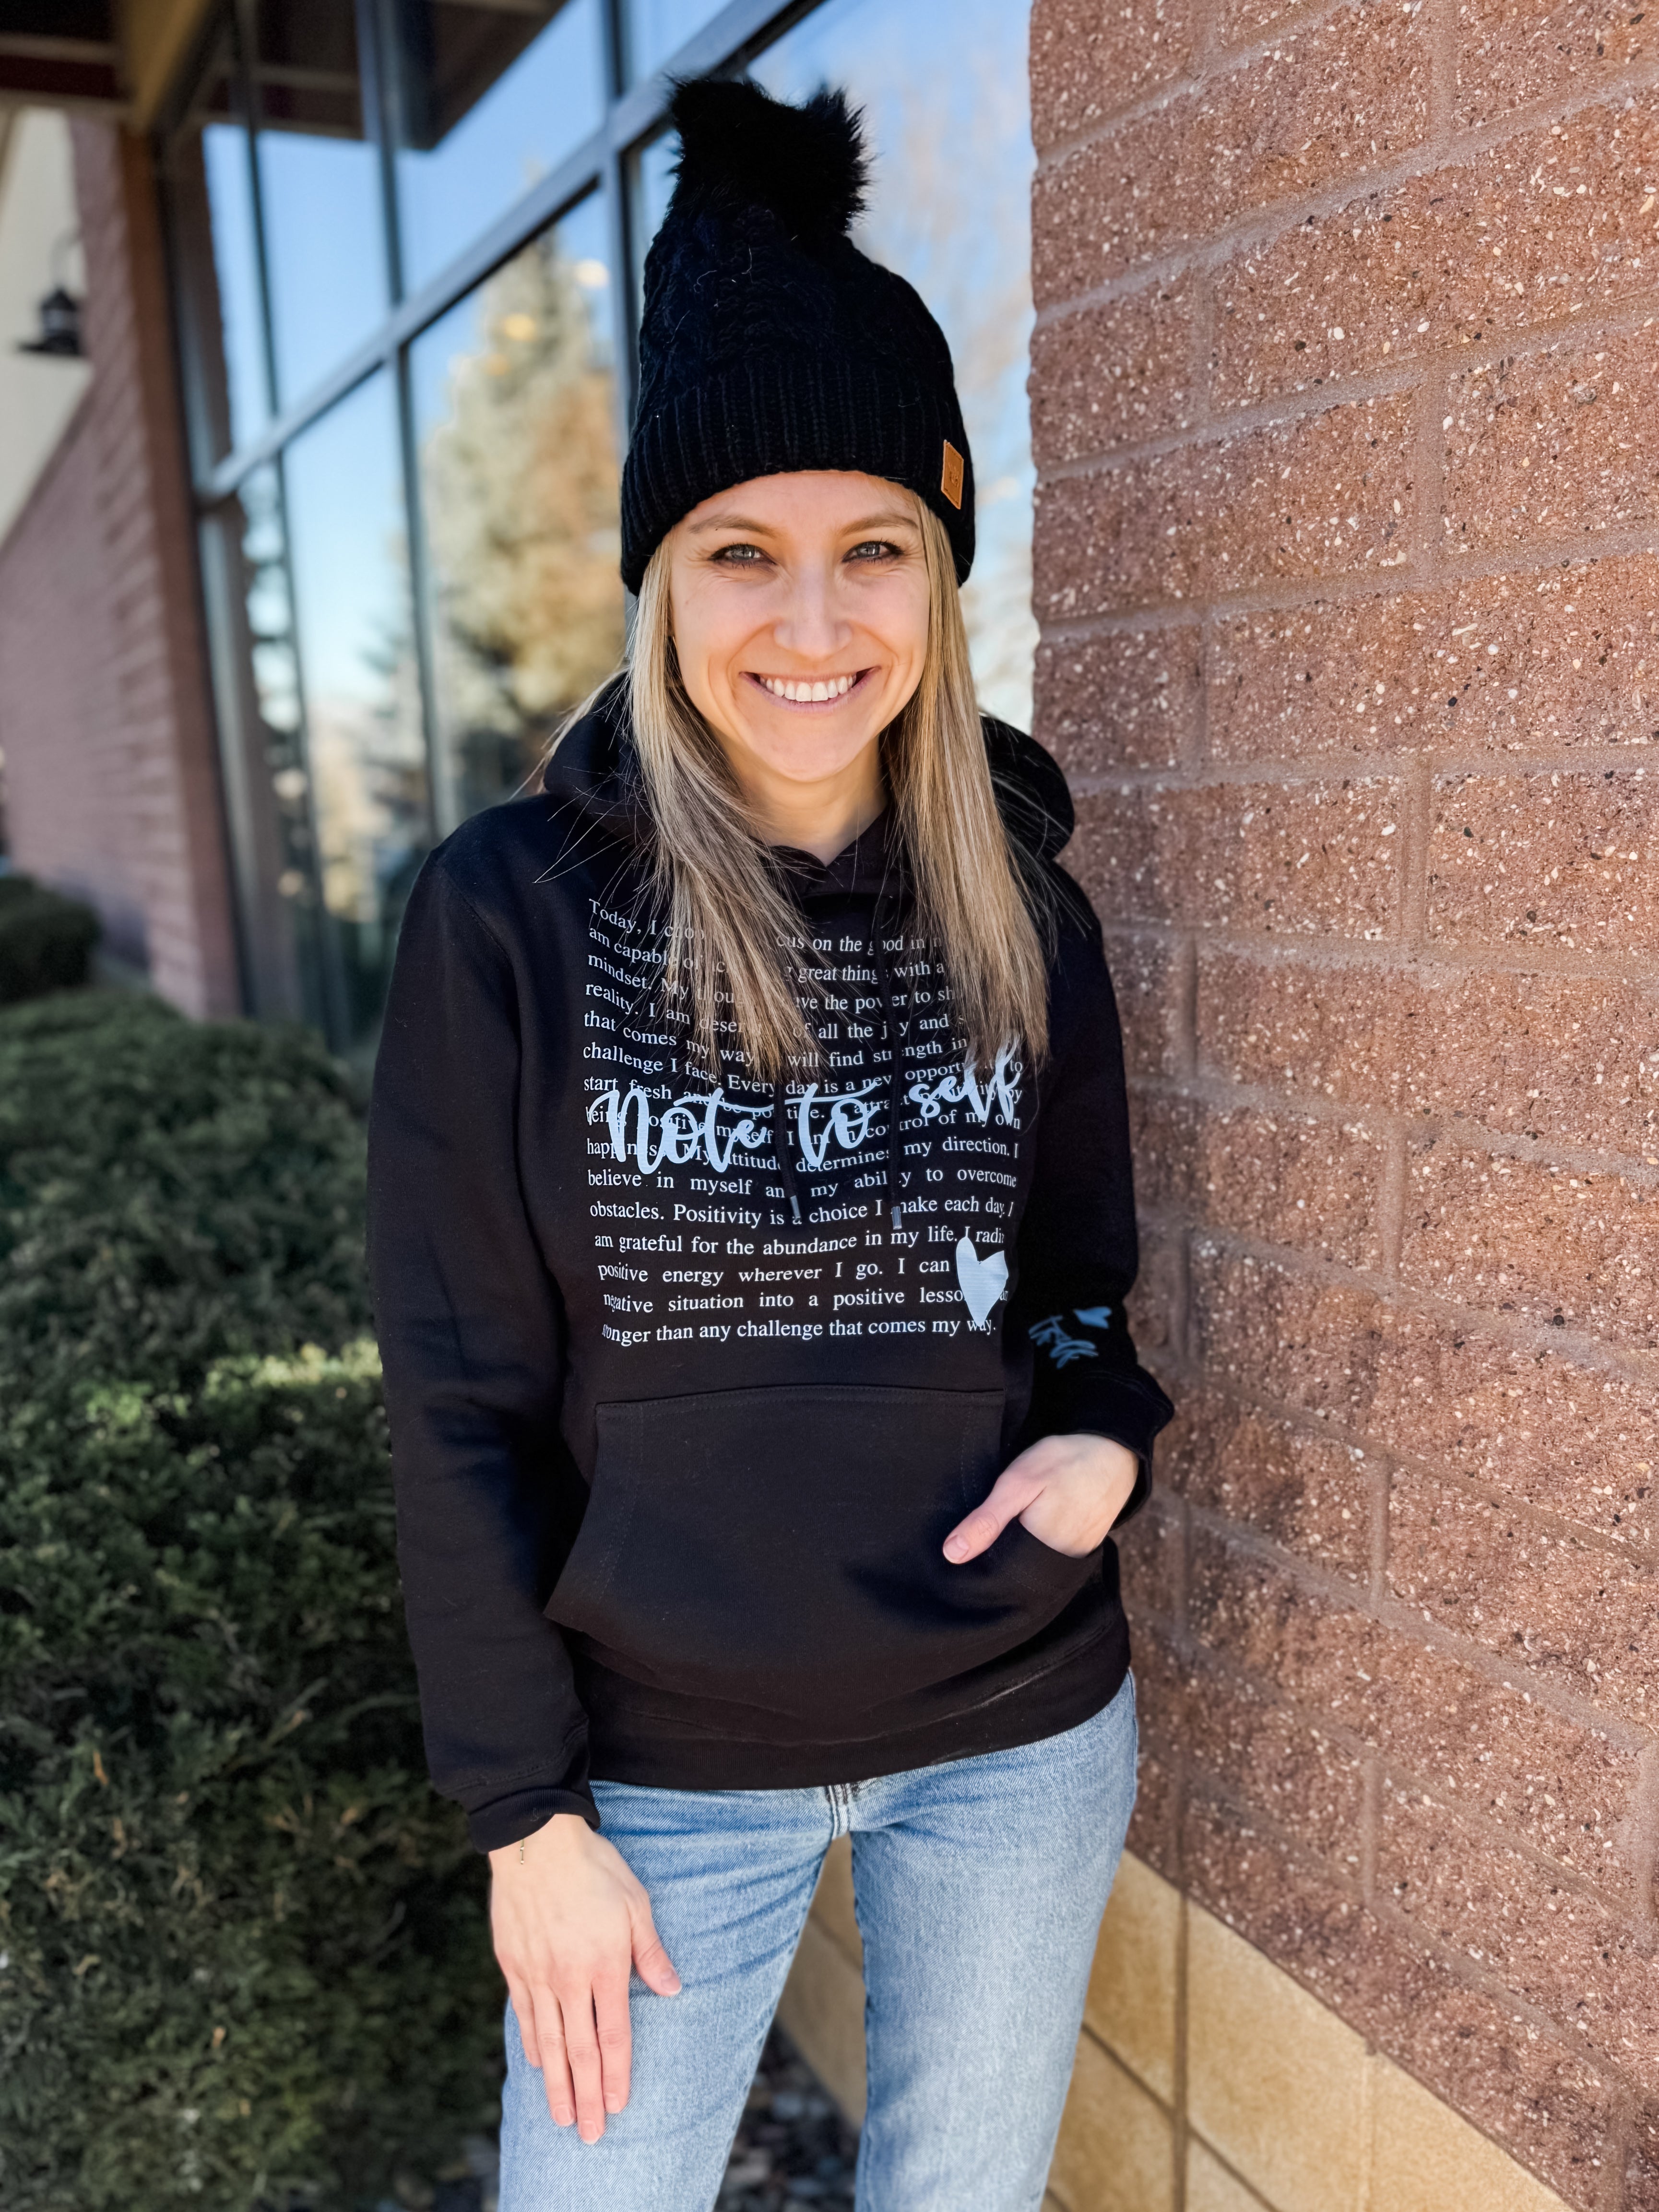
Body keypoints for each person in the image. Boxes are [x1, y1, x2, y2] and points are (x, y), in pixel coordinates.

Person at [368, 76, 1173, 2212]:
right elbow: (455, 1397)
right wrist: (522, 1818)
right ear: (660, 577)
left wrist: (1103, 1442)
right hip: (651, 1777)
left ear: (936, 574)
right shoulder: (512, 913)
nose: (811, 628)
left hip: (1013, 1734)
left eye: (870, 551)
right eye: (741, 551)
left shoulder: (1026, 909)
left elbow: (1077, 1279)